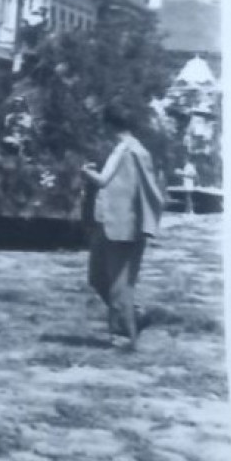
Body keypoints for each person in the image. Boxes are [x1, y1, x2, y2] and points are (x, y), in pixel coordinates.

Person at [82, 104, 165, 349]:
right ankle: (133, 318)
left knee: (118, 284)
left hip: (121, 225)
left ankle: (126, 337)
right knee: (100, 278)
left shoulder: (127, 150)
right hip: (120, 222)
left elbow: (104, 180)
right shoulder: (135, 149)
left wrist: (86, 172)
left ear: (109, 125)